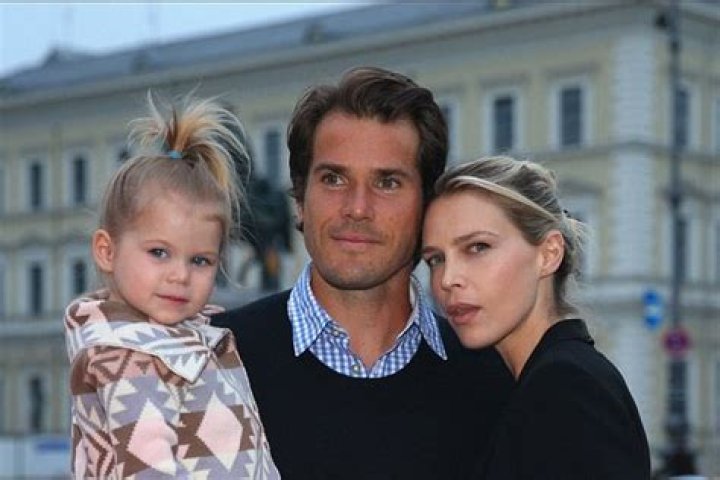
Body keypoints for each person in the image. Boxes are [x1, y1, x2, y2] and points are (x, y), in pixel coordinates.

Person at [213, 66, 513, 479]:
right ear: (300, 200)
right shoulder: (215, 361)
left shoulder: (492, 379)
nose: (357, 207)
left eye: (387, 182)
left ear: (427, 206)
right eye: (334, 179)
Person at [64, 94, 280, 479]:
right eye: (159, 253)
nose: (180, 275)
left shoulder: (184, 339)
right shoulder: (127, 358)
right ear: (106, 251)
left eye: (200, 260)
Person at [421, 155, 652, 479]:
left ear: (548, 254)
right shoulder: (537, 381)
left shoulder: (566, 386)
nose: (447, 279)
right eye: (436, 259)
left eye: (477, 247)